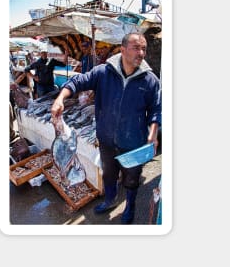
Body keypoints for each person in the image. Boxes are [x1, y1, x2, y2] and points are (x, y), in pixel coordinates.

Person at [51, 33, 161, 224]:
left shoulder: (150, 80)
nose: (141, 53)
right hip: (107, 141)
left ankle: (130, 207)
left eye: (144, 49)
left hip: (134, 142)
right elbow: (77, 82)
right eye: (136, 48)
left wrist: (153, 131)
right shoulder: (102, 72)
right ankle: (110, 200)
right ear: (123, 49)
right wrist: (60, 98)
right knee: (109, 175)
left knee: (132, 179)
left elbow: (156, 109)